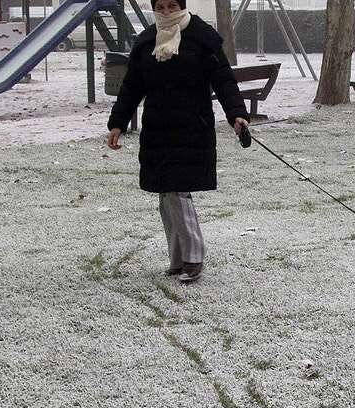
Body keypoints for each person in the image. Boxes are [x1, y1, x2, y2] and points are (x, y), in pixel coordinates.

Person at [106, 0, 250, 284]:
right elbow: (132, 86)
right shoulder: (147, 41)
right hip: (158, 129)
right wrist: (117, 124)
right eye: (161, 6)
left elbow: (224, 80)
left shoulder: (201, 37)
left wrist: (236, 114)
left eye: (173, 5)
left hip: (192, 126)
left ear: (181, 6)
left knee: (178, 193)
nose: (167, 11)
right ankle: (177, 259)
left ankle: (194, 258)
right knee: (165, 195)